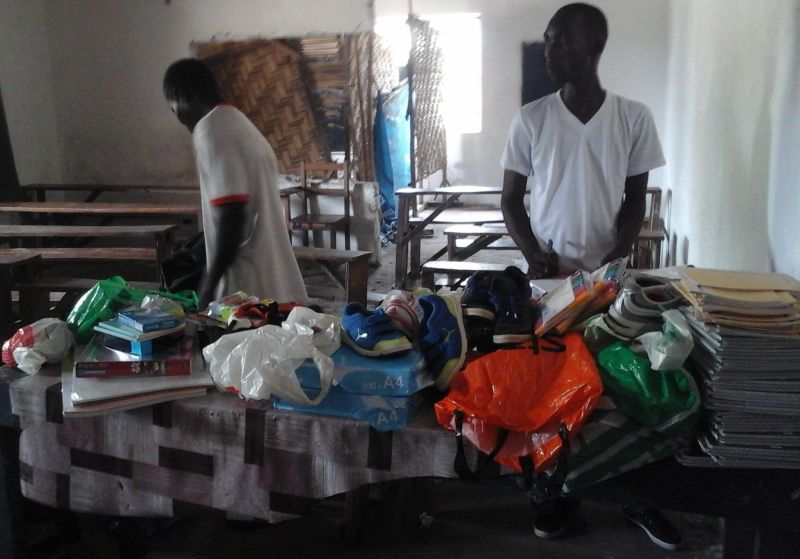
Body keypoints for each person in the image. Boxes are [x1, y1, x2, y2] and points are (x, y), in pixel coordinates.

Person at [500, 3, 682, 551]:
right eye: (549, 40)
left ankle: (634, 493)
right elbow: (511, 199)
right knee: (555, 388)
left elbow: (635, 200)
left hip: (610, 281)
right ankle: (554, 495)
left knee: (620, 386)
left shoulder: (632, 117)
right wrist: (532, 253)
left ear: (593, 46)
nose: (549, 50)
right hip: (549, 283)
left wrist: (616, 258)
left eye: (560, 40)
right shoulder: (532, 118)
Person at [163, 58, 308, 308]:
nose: (176, 115)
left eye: (172, 107)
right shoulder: (240, 123)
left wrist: (208, 286)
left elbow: (232, 216)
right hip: (277, 283)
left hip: (247, 290)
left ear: (183, 96)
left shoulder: (210, 130)